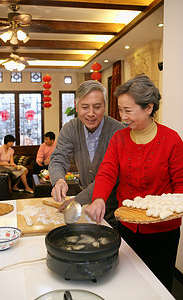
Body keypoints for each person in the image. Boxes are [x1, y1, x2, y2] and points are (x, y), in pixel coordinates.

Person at [85, 75, 183, 291]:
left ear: (148, 107)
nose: (123, 117)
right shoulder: (119, 138)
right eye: (120, 110)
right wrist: (99, 198)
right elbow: (107, 172)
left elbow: (181, 184)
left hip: (163, 231)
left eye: (128, 111)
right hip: (128, 226)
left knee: (159, 286)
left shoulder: (171, 140)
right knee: (129, 284)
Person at [49, 80, 125, 226]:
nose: (91, 113)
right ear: (76, 106)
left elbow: (112, 175)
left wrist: (78, 200)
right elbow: (58, 158)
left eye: (97, 107)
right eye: (85, 107)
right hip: (85, 210)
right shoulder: (70, 128)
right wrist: (58, 180)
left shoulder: (118, 132)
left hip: (114, 211)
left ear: (105, 106)